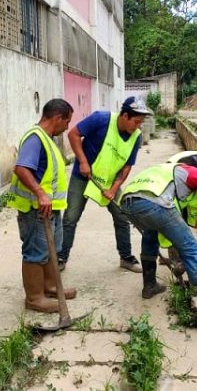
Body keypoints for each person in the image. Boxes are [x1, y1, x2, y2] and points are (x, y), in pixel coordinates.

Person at [118, 162, 197, 338]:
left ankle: (149, 286)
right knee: (193, 253)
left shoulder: (165, 170)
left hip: (128, 204)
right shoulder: (194, 173)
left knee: (150, 235)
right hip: (153, 202)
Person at [57, 97, 152, 273]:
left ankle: (126, 257)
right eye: (136, 122)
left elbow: (127, 166)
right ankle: (61, 256)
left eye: (141, 123)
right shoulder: (101, 119)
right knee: (70, 218)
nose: (138, 126)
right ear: (124, 115)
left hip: (109, 181)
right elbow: (73, 134)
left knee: (122, 217)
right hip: (83, 176)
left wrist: (114, 188)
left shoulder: (136, 137)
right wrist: (83, 162)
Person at [8, 99, 78, 313]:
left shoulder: (47, 140)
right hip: (36, 210)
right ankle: (34, 298)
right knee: (35, 253)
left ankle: (49, 287)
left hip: (50, 209)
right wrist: (40, 193)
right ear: (57, 118)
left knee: (50, 250)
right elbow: (21, 168)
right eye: (67, 122)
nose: (67, 127)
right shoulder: (35, 138)